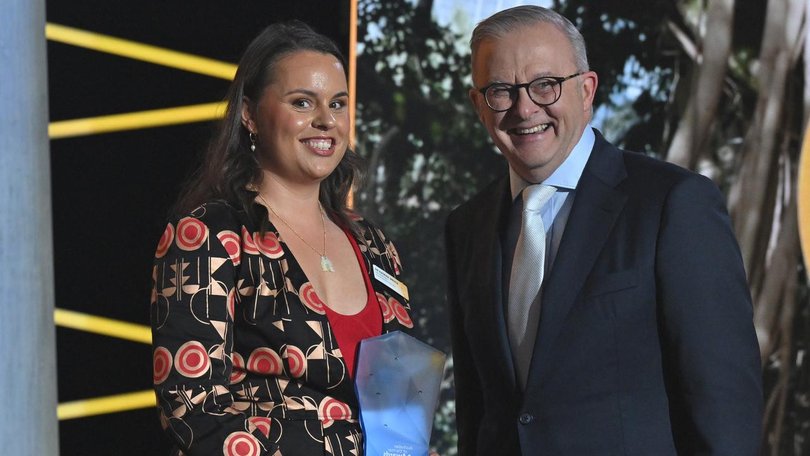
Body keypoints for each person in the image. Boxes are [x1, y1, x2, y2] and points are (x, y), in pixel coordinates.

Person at [445, 5, 763, 455]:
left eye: (545, 85)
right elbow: (477, 411)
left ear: (586, 89)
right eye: (501, 91)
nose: (524, 107)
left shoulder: (673, 204)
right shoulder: (466, 227)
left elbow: (723, 405)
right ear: (479, 105)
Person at [149, 21, 414, 455]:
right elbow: (192, 413)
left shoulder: (374, 244)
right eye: (303, 102)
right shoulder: (211, 234)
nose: (327, 120)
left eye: (338, 103)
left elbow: (401, 402)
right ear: (250, 115)